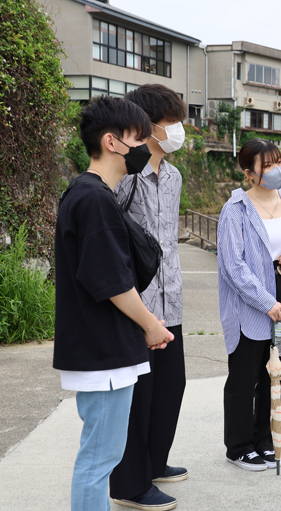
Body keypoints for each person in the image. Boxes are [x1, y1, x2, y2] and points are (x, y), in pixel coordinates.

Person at [54, 96, 174, 511]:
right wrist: (152, 326)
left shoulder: (85, 194)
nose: (143, 146)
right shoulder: (94, 200)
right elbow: (112, 283)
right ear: (111, 141)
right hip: (103, 352)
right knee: (99, 459)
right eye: (138, 138)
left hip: (102, 348)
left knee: (101, 457)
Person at [217, 138, 281, 471]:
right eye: (268, 165)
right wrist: (266, 302)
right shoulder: (236, 209)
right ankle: (238, 446)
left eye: (279, 162)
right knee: (244, 377)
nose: (277, 170)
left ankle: (263, 439)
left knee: (277, 371)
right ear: (249, 174)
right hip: (252, 302)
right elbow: (233, 266)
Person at [110, 84, 188, 510]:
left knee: (169, 388)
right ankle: (130, 485)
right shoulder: (126, 174)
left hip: (170, 298)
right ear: (150, 125)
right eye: (170, 121)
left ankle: (155, 462)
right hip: (137, 305)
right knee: (138, 396)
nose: (176, 129)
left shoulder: (174, 175)